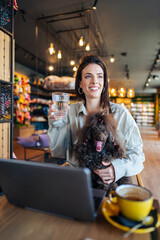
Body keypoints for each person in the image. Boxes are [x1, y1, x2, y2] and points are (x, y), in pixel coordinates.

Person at [48, 55, 145, 185]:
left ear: (104, 83)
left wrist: (117, 169)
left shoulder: (120, 114)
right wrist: (55, 123)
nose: (95, 81)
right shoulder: (69, 111)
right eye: (88, 76)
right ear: (80, 83)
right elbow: (58, 151)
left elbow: (138, 155)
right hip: (77, 181)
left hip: (109, 185)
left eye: (100, 76)